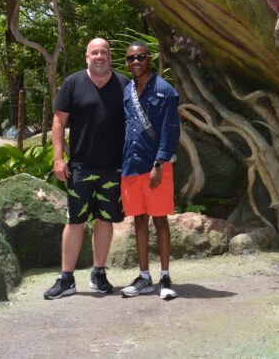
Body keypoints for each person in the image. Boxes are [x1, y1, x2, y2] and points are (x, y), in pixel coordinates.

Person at [44, 38, 129, 300]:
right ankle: (66, 278)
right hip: (81, 166)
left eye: (104, 52)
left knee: (105, 220)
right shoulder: (73, 83)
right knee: (75, 220)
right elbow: (59, 122)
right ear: (86, 57)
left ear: (110, 56)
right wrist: (59, 159)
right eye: (95, 53)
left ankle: (99, 273)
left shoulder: (125, 84)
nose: (100, 56)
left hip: (114, 168)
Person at [119, 41, 181, 301]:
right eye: (131, 58)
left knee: (160, 220)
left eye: (141, 57)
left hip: (155, 167)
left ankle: (165, 276)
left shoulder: (165, 91)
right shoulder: (127, 91)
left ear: (150, 59)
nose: (136, 61)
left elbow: (170, 130)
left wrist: (159, 164)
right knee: (139, 221)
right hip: (131, 166)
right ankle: (144, 277)